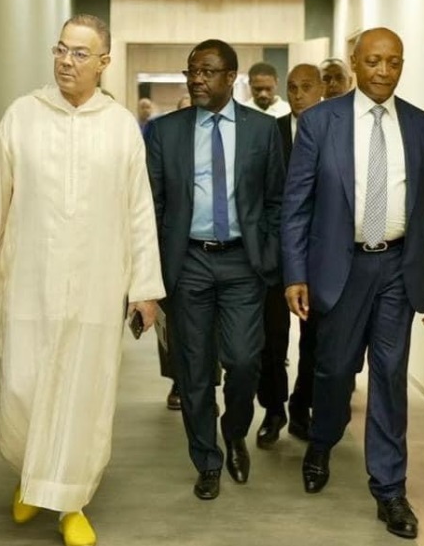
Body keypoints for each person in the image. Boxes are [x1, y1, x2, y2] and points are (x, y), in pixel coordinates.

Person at [0, 14, 164, 546]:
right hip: (28, 278)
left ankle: (71, 503)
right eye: (61, 49)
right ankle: (31, 476)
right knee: (22, 385)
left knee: (83, 395)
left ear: (103, 63)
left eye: (80, 54)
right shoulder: (23, 116)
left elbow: (139, 211)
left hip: (96, 283)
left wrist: (145, 289)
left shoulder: (120, 128)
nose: (66, 61)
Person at [281, 28, 424, 540]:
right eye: (374, 61)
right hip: (342, 266)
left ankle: (390, 489)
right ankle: (322, 441)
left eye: (394, 62)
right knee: (333, 370)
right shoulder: (320, 122)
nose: (384, 71)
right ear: (354, 63)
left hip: (399, 266)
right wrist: (295, 273)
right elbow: (296, 205)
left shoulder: (420, 125)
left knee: (390, 375)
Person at [145, 39, 284, 500]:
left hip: (244, 262)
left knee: (244, 361)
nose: (196, 80)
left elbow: (276, 200)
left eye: (207, 72)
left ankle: (235, 430)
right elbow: (153, 205)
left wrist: (269, 253)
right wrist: (154, 270)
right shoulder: (166, 132)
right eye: (191, 71)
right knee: (194, 369)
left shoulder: (263, 130)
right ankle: (207, 460)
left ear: (230, 77)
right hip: (189, 262)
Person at [255, 63, 324, 448]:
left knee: (315, 337)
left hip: (321, 254)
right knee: (271, 337)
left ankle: (302, 407)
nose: (298, 95)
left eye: (306, 87)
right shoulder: (272, 131)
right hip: (276, 252)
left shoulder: (336, 132)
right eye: (293, 87)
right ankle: (273, 410)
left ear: (321, 90)